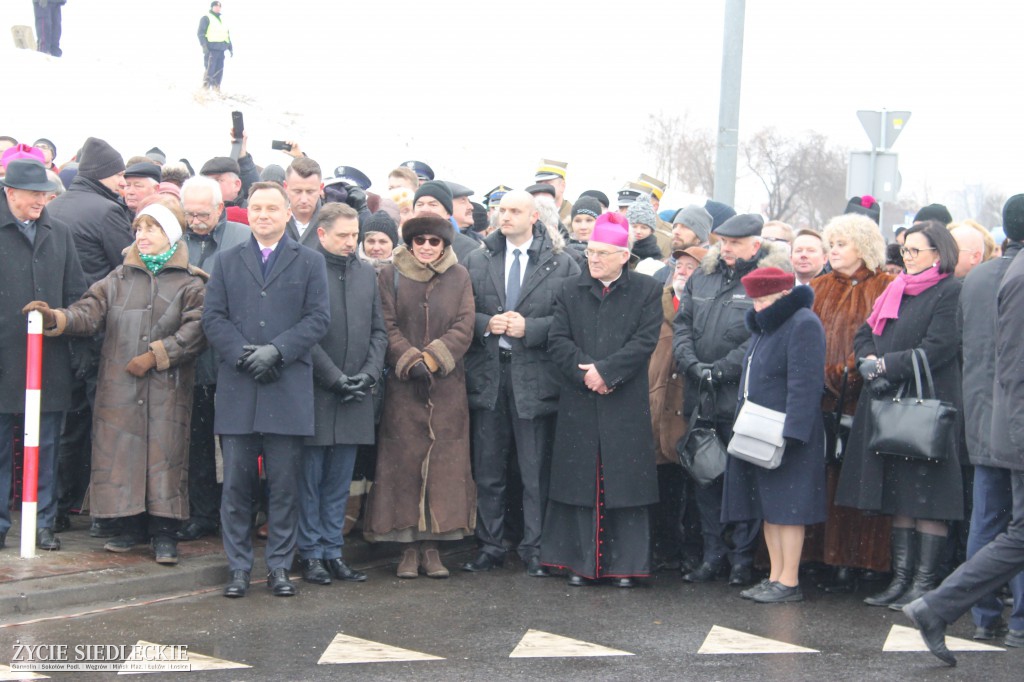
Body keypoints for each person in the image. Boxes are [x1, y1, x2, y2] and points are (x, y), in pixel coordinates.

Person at [24, 203, 207, 564]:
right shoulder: (117, 278)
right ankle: (129, 527)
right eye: (139, 229)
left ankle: (164, 534)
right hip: (120, 387)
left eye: (151, 229)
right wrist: (55, 318)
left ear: (169, 235)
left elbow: (197, 330)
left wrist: (156, 355)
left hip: (167, 390)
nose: (142, 236)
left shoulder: (191, 282)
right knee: (122, 456)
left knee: (164, 458)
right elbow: (88, 312)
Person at [902, 199, 1024, 667]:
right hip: (1011, 426)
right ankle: (938, 607)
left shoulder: (991, 277)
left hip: (996, 425)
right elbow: (1012, 367)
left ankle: (939, 607)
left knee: (1005, 530)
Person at [202, 182, 330, 598]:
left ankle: (278, 566)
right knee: (236, 486)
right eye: (256, 208)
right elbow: (213, 318)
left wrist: (277, 351)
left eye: (272, 208)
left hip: (286, 385)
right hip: (240, 386)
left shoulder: (309, 261)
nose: (262, 215)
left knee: (284, 485)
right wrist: (243, 354)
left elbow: (318, 319)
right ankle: (238, 567)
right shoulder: (226, 260)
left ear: (287, 212)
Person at [836, 220, 964, 611]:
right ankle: (902, 579)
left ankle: (924, 584)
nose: (906, 257)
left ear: (937, 255)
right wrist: (867, 363)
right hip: (890, 403)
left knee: (928, 496)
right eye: (904, 250)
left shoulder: (949, 290)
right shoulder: (896, 288)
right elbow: (864, 335)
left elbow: (940, 346)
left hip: (927, 404)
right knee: (899, 494)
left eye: (914, 251)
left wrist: (884, 366)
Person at [461, 190, 580, 577]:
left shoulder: (561, 264)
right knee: (489, 467)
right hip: (490, 374)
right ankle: (491, 544)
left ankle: (536, 545)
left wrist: (532, 328)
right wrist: (484, 325)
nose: (504, 216)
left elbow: (572, 321)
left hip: (536, 376)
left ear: (534, 217)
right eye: (501, 209)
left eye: (514, 211)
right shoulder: (478, 259)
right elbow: (462, 313)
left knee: (534, 470)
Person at [540, 212, 662, 587]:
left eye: (603, 253)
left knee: (625, 484)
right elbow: (557, 341)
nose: (593, 259)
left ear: (624, 256)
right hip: (580, 399)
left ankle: (625, 567)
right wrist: (587, 376)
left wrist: (607, 373)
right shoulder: (569, 289)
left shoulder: (646, 290)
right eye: (591, 251)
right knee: (579, 483)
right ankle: (578, 564)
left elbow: (645, 341)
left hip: (623, 399)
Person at [673, 213, 790, 586]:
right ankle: (713, 556)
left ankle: (741, 559)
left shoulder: (765, 281)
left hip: (742, 397)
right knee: (706, 478)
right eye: (723, 242)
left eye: (735, 244)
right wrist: (691, 363)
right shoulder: (702, 276)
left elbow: (763, 334)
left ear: (755, 246)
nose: (727, 249)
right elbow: (683, 325)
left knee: (743, 481)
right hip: (702, 395)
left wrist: (723, 369)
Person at [363, 215, 476, 579]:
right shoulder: (389, 275)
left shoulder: (459, 277)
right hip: (403, 390)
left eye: (434, 241)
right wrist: (409, 358)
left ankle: (434, 546)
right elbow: (385, 323)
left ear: (445, 245)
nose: (427, 246)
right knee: (403, 469)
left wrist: (434, 357)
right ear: (410, 242)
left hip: (447, 391)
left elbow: (465, 324)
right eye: (420, 240)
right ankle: (407, 548)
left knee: (444, 469)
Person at [722, 267, 827, 603]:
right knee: (769, 509)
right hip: (761, 430)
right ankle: (774, 576)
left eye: (764, 299)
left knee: (789, 510)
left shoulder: (803, 323)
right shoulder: (767, 325)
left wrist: (793, 432)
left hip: (787, 433)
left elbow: (805, 383)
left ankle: (789, 580)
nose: (758, 307)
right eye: (755, 300)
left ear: (783, 295)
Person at [949, 195, 1024, 644]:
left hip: (982, 416)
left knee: (987, 520)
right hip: (1014, 418)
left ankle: (982, 614)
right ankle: (1019, 623)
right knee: (1018, 529)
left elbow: (966, 344)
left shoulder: (975, 279)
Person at [299, 204, 386, 586]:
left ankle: (333, 551)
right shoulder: (304, 269)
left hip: (356, 391)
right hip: (317, 390)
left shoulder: (366, 273)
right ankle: (310, 553)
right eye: (344, 236)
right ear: (322, 234)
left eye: (356, 236)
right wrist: (334, 377)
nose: (352, 243)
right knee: (310, 478)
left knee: (339, 481)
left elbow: (378, 331)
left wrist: (367, 374)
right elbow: (302, 332)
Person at [1, 159, 86, 551]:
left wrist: (62, 324)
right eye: (34, 194)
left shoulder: (59, 233)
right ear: (10, 192)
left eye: (45, 194)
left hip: (48, 359)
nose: (41, 201)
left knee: (47, 445)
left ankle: (43, 522)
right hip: (4, 358)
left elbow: (75, 294)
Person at [808, 213, 894, 593]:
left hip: (864, 402)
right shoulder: (818, 286)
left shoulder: (886, 287)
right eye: (832, 244)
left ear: (864, 246)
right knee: (822, 479)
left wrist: (847, 374)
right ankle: (823, 558)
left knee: (859, 482)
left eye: (842, 243)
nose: (834, 251)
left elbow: (880, 343)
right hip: (820, 400)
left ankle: (861, 560)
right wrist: (821, 376)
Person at [175, 175, 250, 542]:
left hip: (234, 359)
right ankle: (203, 513)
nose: (196, 220)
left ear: (220, 209)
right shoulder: (177, 241)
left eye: (203, 213)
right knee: (198, 443)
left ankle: (239, 515)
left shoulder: (241, 237)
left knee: (237, 446)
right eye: (190, 213)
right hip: (194, 360)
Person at [648, 246, 706, 571]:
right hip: (658, 404)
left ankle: (692, 551)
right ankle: (664, 547)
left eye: (691, 266)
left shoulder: (703, 306)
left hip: (688, 406)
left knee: (693, 487)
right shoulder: (656, 302)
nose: (682, 271)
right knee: (662, 484)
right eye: (679, 265)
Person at [410, 180, 481, 263]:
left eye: (432, 205)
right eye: (420, 204)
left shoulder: (469, 249)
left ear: (447, 213)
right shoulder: (402, 246)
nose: (425, 209)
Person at [284, 157, 325, 246]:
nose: (304, 200)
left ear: (321, 188)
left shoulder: (332, 223)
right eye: (297, 191)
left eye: (310, 192)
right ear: (285, 187)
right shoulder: (273, 220)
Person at [198, 2, 232, 90]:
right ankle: (204, 90)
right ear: (212, 7)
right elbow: (200, 33)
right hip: (211, 49)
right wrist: (204, 46)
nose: (218, 8)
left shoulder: (222, 20)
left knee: (219, 71)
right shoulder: (206, 18)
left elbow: (226, 35)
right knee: (210, 70)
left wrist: (230, 47)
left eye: (219, 6)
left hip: (221, 49)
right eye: (216, 6)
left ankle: (216, 90)